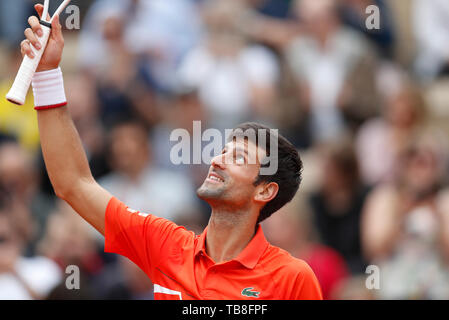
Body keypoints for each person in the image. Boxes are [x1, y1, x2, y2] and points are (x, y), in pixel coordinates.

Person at [19, 4, 322, 300]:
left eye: (238, 158)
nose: (217, 161)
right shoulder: (165, 244)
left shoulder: (292, 277)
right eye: (223, 152)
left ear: (265, 191)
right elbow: (72, 182)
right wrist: (47, 73)